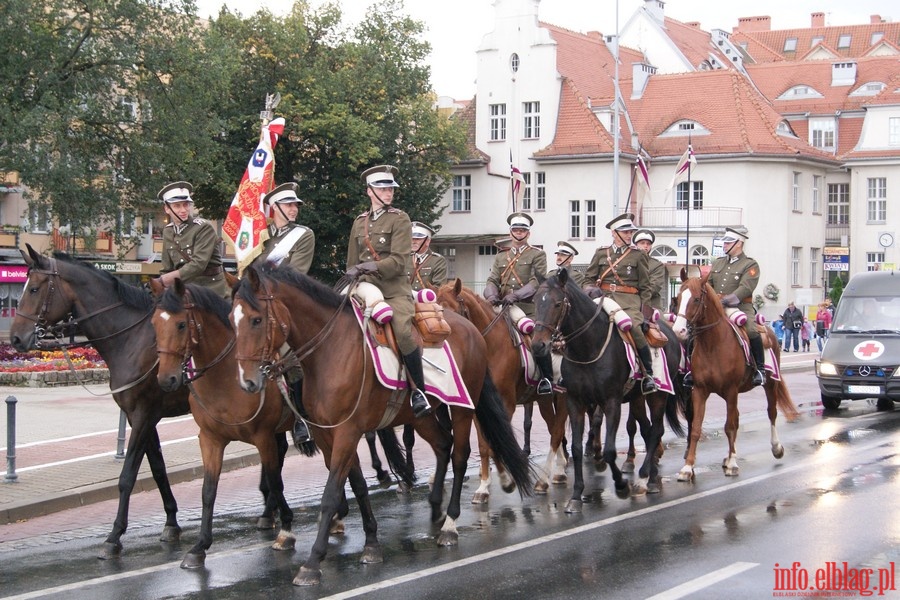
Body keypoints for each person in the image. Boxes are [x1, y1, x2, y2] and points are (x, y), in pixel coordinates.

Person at [345, 165, 431, 418]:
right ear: (369, 191)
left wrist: (367, 266)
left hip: (393, 291)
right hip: (362, 288)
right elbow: (352, 262)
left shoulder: (399, 219)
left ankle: (419, 391)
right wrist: (353, 273)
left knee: (403, 330)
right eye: (383, 188)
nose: (388, 192)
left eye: (390, 188)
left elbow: (399, 263)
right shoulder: (359, 222)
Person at [252, 182, 316, 446]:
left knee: (292, 359)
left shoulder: (303, 235)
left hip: (289, 306)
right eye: (289, 205)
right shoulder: (260, 236)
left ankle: (301, 419)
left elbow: (295, 275)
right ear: (274, 208)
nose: (294, 209)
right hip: (260, 305)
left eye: (295, 205)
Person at [582, 213, 659, 394]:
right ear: (614, 233)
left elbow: (645, 286)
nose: (629, 235)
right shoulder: (601, 253)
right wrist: (590, 290)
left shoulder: (638, 255)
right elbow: (588, 279)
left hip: (628, 302)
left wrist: (644, 312)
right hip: (602, 299)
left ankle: (648, 373)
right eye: (625, 232)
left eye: (630, 231)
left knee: (634, 328)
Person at [483, 212, 553, 394]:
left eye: (522, 230)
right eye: (516, 230)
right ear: (510, 232)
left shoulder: (537, 254)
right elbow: (492, 279)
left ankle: (546, 378)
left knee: (535, 338)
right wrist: (491, 295)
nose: (519, 233)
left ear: (528, 233)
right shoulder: (501, 257)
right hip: (502, 306)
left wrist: (516, 296)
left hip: (527, 307)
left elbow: (536, 282)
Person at [703, 227, 766, 387]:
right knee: (696, 328)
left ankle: (760, 369)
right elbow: (708, 284)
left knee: (751, 329)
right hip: (716, 307)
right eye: (724, 242)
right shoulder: (718, 262)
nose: (724, 245)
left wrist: (726, 300)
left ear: (739, 243)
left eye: (728, 242)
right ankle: (691, 369)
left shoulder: (750, 264)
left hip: (740, 306)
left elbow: (745, 287)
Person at [157, 181, 230, 300]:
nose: (183, 210)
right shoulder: (168, 231)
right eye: (177, 206)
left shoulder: (203, 227)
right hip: (183, 288)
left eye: (186, 205)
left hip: (210, 287)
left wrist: (165, 279)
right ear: (167, 208)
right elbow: (166, 268)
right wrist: (160, 285)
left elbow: (198, 264)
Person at [408, 221, 448, 291]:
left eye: (418, 239)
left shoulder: (437, 260)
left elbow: (438, 287)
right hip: (405, 300)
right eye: (412, 238)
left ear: (427, 241)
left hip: (427, 300)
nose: (413, 242)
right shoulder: (406, 259)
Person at [633, 228, 666, 311]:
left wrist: (633, 294)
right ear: (636, 245)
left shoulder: (657, 265)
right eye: (642, 243)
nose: (645, 246)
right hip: (628, 302)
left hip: (651, 304)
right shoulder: (628, 261)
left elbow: (654, 286)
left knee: (659, 323)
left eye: (648, 243)